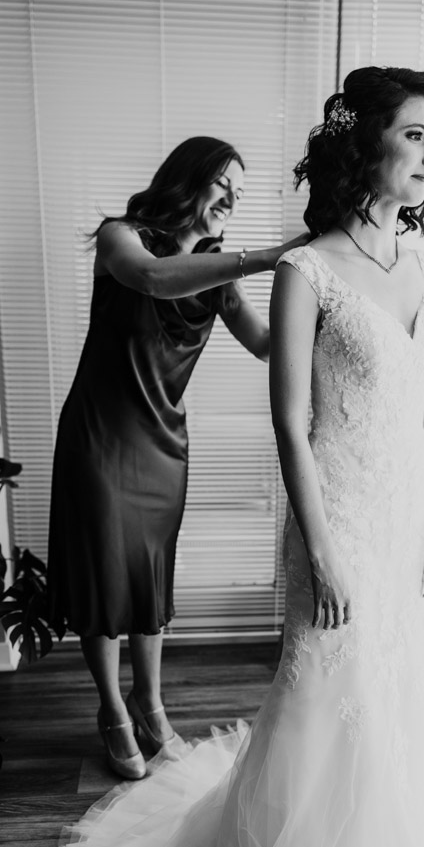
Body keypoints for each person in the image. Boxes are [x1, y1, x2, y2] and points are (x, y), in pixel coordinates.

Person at [53, 69, 424, 847]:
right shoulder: (259, 261)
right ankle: (249, 839)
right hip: (316, 506)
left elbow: (422, 401)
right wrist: (323, 543)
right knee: (312, 685)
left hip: (394, 516)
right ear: (366, 148)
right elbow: (290, 422)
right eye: (416, 135)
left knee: (387, 686)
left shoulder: (418, 267)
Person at [48, 136, 306, 780]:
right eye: (222, 183)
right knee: (107, 576)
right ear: (187, 177)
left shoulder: (216, 267)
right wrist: (267, 257)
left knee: (148, 575)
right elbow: (152, 280)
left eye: (238, 194)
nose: (229, 200)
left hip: (164, 444)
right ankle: (112, 709)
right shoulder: (122, 237)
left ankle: (150, 701)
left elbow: (267, 345)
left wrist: (324, 301)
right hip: (101, 435)